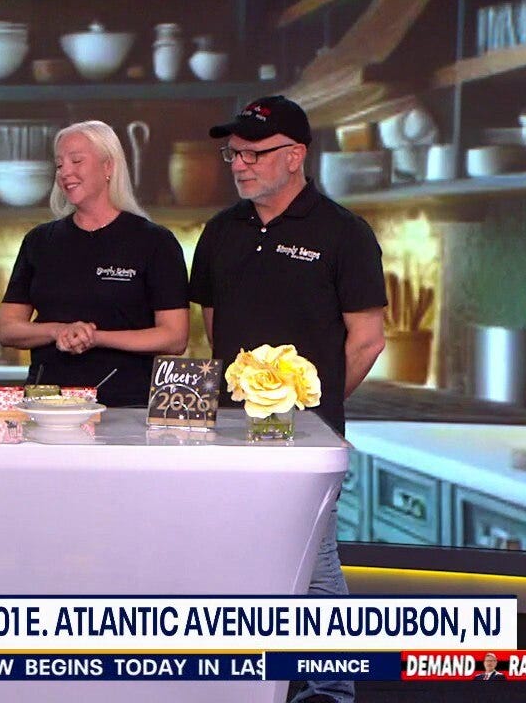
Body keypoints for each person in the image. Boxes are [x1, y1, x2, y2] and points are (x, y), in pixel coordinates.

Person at [189, 95, 388, 703]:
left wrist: (309, 414)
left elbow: (368, 339)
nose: (240, 164)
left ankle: (330, 688)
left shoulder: (344, 233)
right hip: (230, 432)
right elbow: (216, 329)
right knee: (239, 555)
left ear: (296, 155)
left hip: (307, 440)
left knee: (312, 558)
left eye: (254, 153)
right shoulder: (220, 232)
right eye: (233, 154)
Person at [0, 120, 189, 407]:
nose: (65, 172)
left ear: (108, 166)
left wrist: (95, 338)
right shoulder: (39, 241)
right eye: (59, 165)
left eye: (76, 161)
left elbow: (174, 337)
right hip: (47, 405)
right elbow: (7, 329)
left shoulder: (155, 242)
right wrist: (58, 331)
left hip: (127, 407)